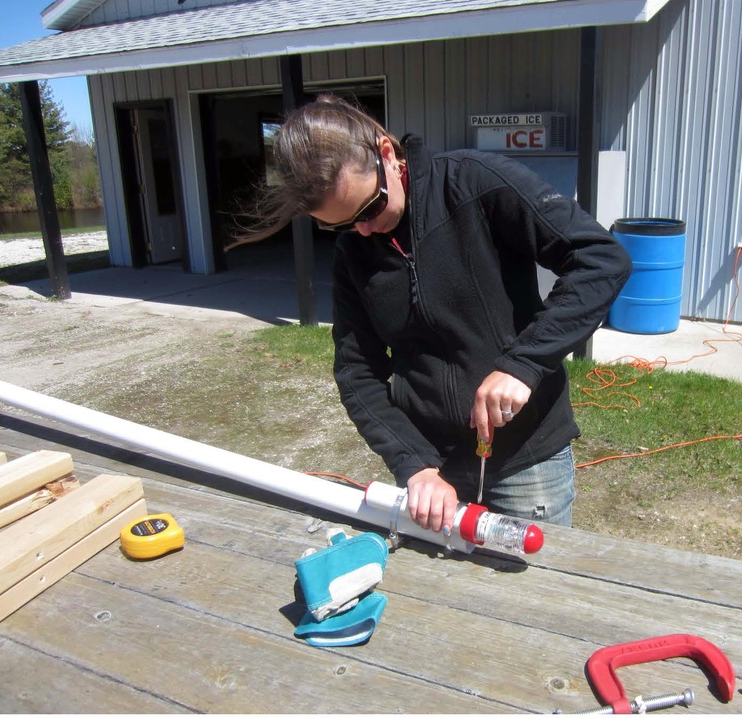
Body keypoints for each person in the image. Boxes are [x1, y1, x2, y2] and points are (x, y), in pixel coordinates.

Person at [267, 95, 630, 535]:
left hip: (526, 460)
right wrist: (414, 463)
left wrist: (524, 362)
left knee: (533, 595)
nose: (362, 230)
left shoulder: (473, 182)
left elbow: (599, 259)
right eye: (339, 225)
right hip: (436, 470)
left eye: (369, 208)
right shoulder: (355, 251)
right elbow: (356, 372)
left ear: (387, 153)